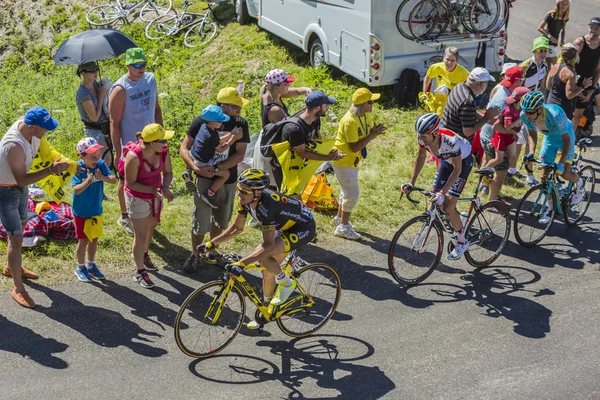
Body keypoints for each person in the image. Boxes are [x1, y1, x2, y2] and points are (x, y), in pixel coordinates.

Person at [197, 168, 316, 330]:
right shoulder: (246, 201)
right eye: (239, 189)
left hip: (303, 227)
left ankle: (287, 283)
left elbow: (268, 245)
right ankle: (267, 311)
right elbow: (236, 229)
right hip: (284, 224)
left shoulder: (266, 207)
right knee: (267, 270)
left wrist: (241, 263)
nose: (239, 195)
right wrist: (211, 243)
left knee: (263, 256)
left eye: (244, 191)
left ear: (258, 192)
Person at [0, 107, 70, 308]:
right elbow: (21, 179)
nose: (47, 132)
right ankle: (18, 289)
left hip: (19, 188)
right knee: (15, 237)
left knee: (21, 229)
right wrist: (49, 170)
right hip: (6, 191)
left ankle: (12, 266)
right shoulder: (13, 146)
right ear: (31, 127)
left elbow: (41, 153)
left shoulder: (29, 127)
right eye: (44, 128)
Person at [180, 87, 250, 274]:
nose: (240, 110)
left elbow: (240, 154)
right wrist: (195, 168)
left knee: (221, 221)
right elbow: (184, 148)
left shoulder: (241, 123)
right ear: (224, 106)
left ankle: (211, 252)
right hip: (203, 179)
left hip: (227, 180)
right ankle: (195, 254)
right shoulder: (202, 120)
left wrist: (218, 169)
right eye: (237, 106)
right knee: (200, 220)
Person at [109, 47, 164, 236]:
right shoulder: (120, 89)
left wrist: (161, 135)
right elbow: (114, 123)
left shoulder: (150, 79)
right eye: (137, 65)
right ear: (127, 65)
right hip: (130, 143)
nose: (141, 68)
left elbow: (156, 107)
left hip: (152, 141)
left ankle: (146, 213)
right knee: (126, 179)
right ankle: (125, 216)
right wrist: (118, 151)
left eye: (144, 64)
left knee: (149, 176)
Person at [402, 113, 473, 260]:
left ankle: (461, 241)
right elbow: (421, 157)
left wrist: (443, 192)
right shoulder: (423, 138)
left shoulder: (450, 141)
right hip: (446, 161)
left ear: (435, 133)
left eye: (425, 135)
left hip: (462, 163)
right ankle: (455, 218)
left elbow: (457, 170)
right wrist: (411, 182)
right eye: (420, 135)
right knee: (435, 201)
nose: (422, 138)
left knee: (448, 204)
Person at [331, 88, 387, 240]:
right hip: (343, 160)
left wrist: (374, 131)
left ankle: (339, 218)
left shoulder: (365, 115)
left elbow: (367, 132)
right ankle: (342, 227)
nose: (373, 104)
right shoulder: (349, 121)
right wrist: (372, 135)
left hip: (352, 160)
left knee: (346, 190)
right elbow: (354, 147)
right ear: (362, 105)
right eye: (370, 102)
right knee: (352, 193)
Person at [123, 123, 175, 288]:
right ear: (152, 143)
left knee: (151, 226)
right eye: (163, 141)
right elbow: (130, 183)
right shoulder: (134, 156)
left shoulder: (163, 152)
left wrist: (165, 187)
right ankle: (139, 271)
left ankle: (144, 254)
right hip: (138, 197)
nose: (166, 144)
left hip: (155, 194)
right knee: (141, 235)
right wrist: (153, 190)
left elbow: (168, 172)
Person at [520, 91, 586, 206]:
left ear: (540, 109)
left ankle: (580, 183)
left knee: (564, 173)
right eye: (525, 111)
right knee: (543, 176)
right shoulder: (525, 115)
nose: (527, 115)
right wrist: (531, 152)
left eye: (530, 112)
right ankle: (550, 207)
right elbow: (532, 134)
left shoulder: (554, 114)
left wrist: (561, 162)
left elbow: (566, 141)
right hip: (550, 138)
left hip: (566, 138)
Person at [271, 90, 344, 191]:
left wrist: (332, 153)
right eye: (326, 104)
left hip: (301, 165)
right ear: (317, 108)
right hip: (286, 169)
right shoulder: (294, 129)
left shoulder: (315, 118)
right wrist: (327, 157)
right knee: (291, 200)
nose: (327, 107)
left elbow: (318, 140)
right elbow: (303, 153)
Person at [71, 137, 117, 282]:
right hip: (81, 212)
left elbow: (114, 179)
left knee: (94, 239)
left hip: (96, 210)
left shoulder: (101, 164)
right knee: (83, 241)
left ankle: (91, 265)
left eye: (98, 154)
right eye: (92, 156)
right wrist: (88, 182)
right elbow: (76, 190)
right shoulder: (78, 168)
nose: (96, 158)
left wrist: (102, 177)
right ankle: (80, 267)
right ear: (82, 156)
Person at [478, 66, 525, 200]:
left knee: (490, 162)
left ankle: (484, 186)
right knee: (501, 170)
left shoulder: (503, 89)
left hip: (487, 136)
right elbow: (495, 126)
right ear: (517, 82)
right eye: (521, 80)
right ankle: (492, 202)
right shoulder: (504, 99)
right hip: (492, 138)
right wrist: (513, 132)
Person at [189, 105, 242, 209]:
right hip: (203, 163)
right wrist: (233, 139)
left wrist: (231, 133)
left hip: (194, 155)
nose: (222, 123)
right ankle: (209, 194)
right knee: (226, 174)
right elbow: (221, 149)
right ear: (212, 122)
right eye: (220, 121)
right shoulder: (211, 135)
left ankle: (187, 170)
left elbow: (217, 139)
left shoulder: (205, 127)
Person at [485, 87, 530, 191]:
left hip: (511, 137)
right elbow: (507, 127)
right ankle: (484, 171)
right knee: (498, 159)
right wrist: (520, 119)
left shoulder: (521, 110)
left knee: (512, 158)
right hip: (502, 136)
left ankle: (503, 175)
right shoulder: (509, 110)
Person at [440, 67, 499, 144]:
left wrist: (485, 119)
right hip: (455, 145)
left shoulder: (460, 86)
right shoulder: (468, 101)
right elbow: (468, 132)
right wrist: (486, 118)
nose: (487, 86)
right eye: (487, 83)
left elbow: (463, 113)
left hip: (445, 136)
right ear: (481, 84)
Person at [75, 61, 112, 168]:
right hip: (95, 130)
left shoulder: (95, 84)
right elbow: (94, 117)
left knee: (109, 155)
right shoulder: (83, 94)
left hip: (105, 126)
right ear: (83, 73)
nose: (95, 73)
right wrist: (101, 96)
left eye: (96, 70)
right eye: (91, 71)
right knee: (105, 159)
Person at [546, 43, 591, 120]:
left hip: (550, 105)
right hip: (562, 110)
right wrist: (583, 86)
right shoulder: (571, 73)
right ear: (575, 56)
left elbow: (548, 86)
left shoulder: (555, 66)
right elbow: (569, 95)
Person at [572, 17, 600, 130]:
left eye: (596, 28)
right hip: (572, 83)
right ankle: (561, 139)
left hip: (587, 86)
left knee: (578, 115)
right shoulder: (580, 42)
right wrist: (575, 87)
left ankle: (570, 141)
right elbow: (568, 65)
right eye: (591, 27)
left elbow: (598, 70)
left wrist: (591, 89)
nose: (593, 30)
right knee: (567, 113)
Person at [538, 0, 570, 65]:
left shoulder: (565, 17)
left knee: (548, 64)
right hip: (546, 42)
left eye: (566, 4)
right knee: (556, 64)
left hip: (553, 44)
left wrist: (562, 41)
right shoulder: (551, 14)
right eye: (562, 3)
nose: (564, 6)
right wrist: (551, 37)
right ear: (558, 3)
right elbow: (540, 28)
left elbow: (563, 30)